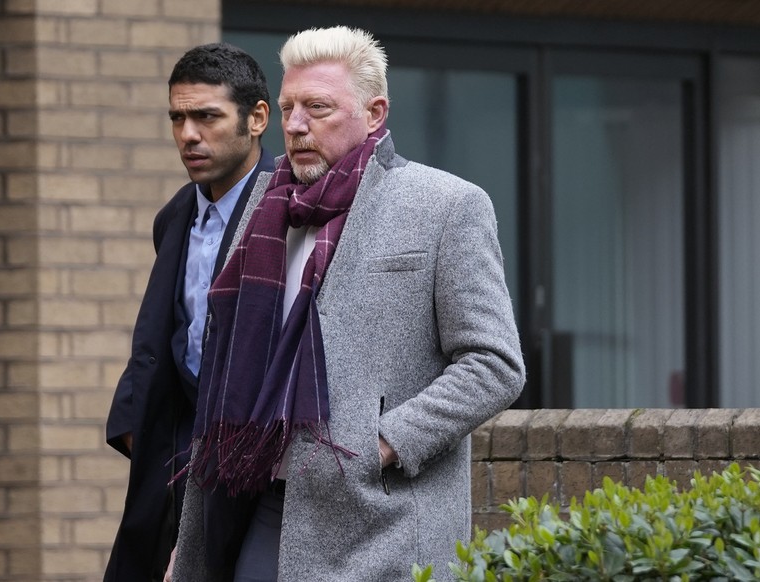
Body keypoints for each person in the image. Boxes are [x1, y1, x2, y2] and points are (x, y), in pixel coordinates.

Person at [171, 26, 525, 581]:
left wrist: (381, 443)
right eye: (288, 107)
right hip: (255, 501)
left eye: (317, 107)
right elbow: (227, 366)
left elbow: (493, 365)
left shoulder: (446, 205)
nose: (294, 125)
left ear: (375, 112)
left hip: (379, 518)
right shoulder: (263, 205)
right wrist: (190, 539)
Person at [103, 42, 273, 582]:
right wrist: (139, 425)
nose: (188, 135)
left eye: (207, 116)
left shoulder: (290, 211)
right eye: (177, 117)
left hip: (262, 469)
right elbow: (165, 333)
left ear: (258, 119)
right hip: (180, 459)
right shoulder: (175, 215)